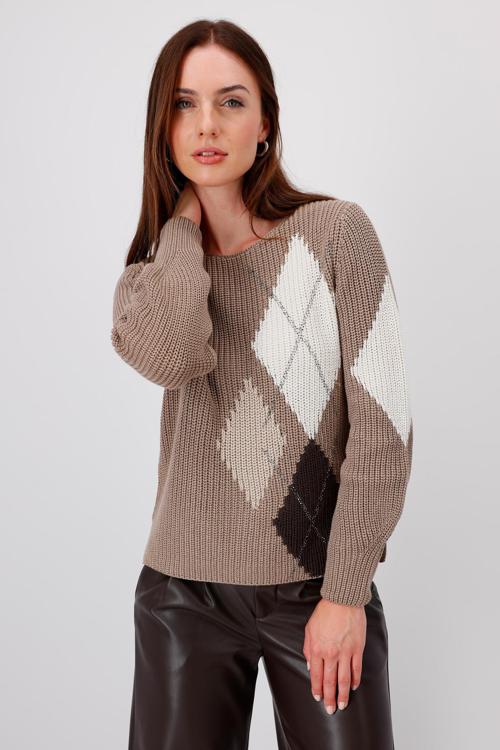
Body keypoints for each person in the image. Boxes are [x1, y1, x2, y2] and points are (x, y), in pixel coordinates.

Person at [110, 18, 413, 750]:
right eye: (184, 104)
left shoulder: (337, 235)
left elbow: (384, 429)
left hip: (319, 590)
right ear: (161, 127)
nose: (207, 125)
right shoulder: (149, 280)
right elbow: (179, 354)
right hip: (183, 595)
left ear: (266, 122)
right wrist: (184, 226)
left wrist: (345, 593)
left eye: (231, 101)